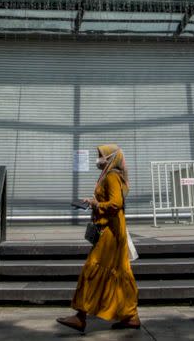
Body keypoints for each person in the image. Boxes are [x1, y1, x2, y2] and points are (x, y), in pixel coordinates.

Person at [57, 143, 140, 333]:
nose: (98, 159)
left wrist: (96, 205)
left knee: (91, 269)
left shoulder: (111, 176)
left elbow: (116, 203)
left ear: (110, 159)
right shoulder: (108, 175)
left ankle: (80, 316)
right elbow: (110, 201)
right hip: (113, 229)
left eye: (101, 155)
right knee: (121, 272)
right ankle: (131, 316)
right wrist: (93, 201)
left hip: (110, 232)